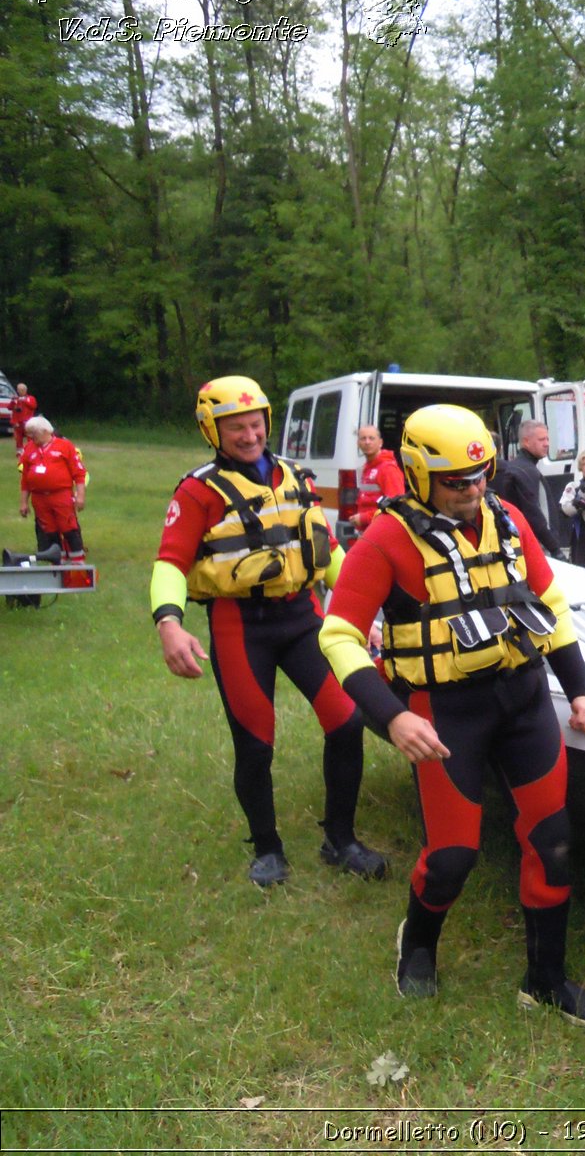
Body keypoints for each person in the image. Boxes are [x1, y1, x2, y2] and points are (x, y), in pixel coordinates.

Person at [318, 404, 585, 1022]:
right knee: (453, 856)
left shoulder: (505, 519)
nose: (475, 489)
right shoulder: (388, 538)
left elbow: (551, 603)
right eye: (458, 481)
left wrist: (578, 687)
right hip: (445, 711)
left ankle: (545, 982)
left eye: (481, 474)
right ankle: (418, 944)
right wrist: (392, 718)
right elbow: (339, 635)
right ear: (422, 476)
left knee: (553, 842)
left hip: (526, 698)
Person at [150, 376, 385, 887]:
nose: (249, 434)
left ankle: (340, 841)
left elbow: (326, 552)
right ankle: (268, 848)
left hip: (303, 618)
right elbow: (170, 562)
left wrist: (359, 611)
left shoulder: (296, 477)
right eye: (236, 427)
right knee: (255, 742)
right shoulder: (197, 491)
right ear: (212, 430)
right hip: (240, 625)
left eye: (255, 423)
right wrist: (170, 623)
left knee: (346, 722)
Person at [17, 416, 87, 564]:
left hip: (60, 495)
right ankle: (58, 560)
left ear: (44, 431)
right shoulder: (29, 449)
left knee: (68, 527)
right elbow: (25, 480)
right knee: (49, 530)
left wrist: (80, 495)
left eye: (33, 433)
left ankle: (77, 561)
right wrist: (23, 502)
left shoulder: (64, 446)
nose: (30, 437)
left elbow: (79, 473)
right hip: (39, 498)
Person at [493, 420, 562, 557]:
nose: (547, 443)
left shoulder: (515, 468)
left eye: (547, 439)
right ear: (526, 442)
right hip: (537, 548)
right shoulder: (527, 472)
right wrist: (555, 550)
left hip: (517, 545)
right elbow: (537, 516)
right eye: (541, 439)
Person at [351, 425, 406, 537]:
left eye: (371, 438)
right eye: (363, 438)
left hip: (381, 534)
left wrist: (364, 518)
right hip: (369, 533)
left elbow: (395, 506)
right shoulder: (367, 468)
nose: (367, 442)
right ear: (358, 443)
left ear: (380, 442)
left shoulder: (388, 469)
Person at [10, 382, 38, 455]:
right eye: (19, 390)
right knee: (18, 438)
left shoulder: (30, 398)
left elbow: (33, 406)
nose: (20, 391)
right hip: (18, 421)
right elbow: (10, 407)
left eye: (21, 389)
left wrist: (24, 401)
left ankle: (30, 450)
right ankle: (20, 451)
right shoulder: (16, 399)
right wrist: (14, 401)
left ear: (25, 390)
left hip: (27, 421)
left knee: (29, 436)